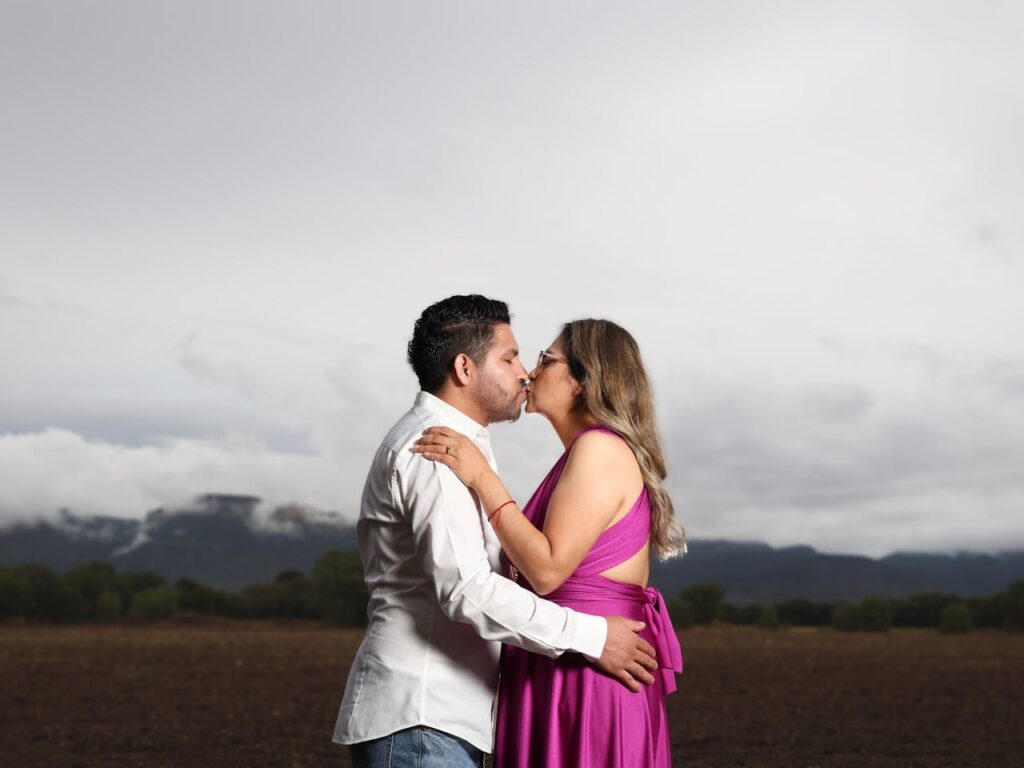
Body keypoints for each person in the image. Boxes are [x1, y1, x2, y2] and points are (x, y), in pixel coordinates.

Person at [333, 297, 660, 768]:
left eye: (538, 359)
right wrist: (590, 635)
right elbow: (467, 589)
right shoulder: (437, 449)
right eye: (510, 358)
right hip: (424, 714)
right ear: (465, 369)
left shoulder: (461, 449)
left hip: (440, 716)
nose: (525, 372)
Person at [414, 318, 685, 768]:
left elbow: (546, 570)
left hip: (587, 675)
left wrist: (482, 476)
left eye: (546, 359)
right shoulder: (585, 454)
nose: (529, 372)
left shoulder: (599, 449)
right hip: (566, 660)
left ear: (583, 380)